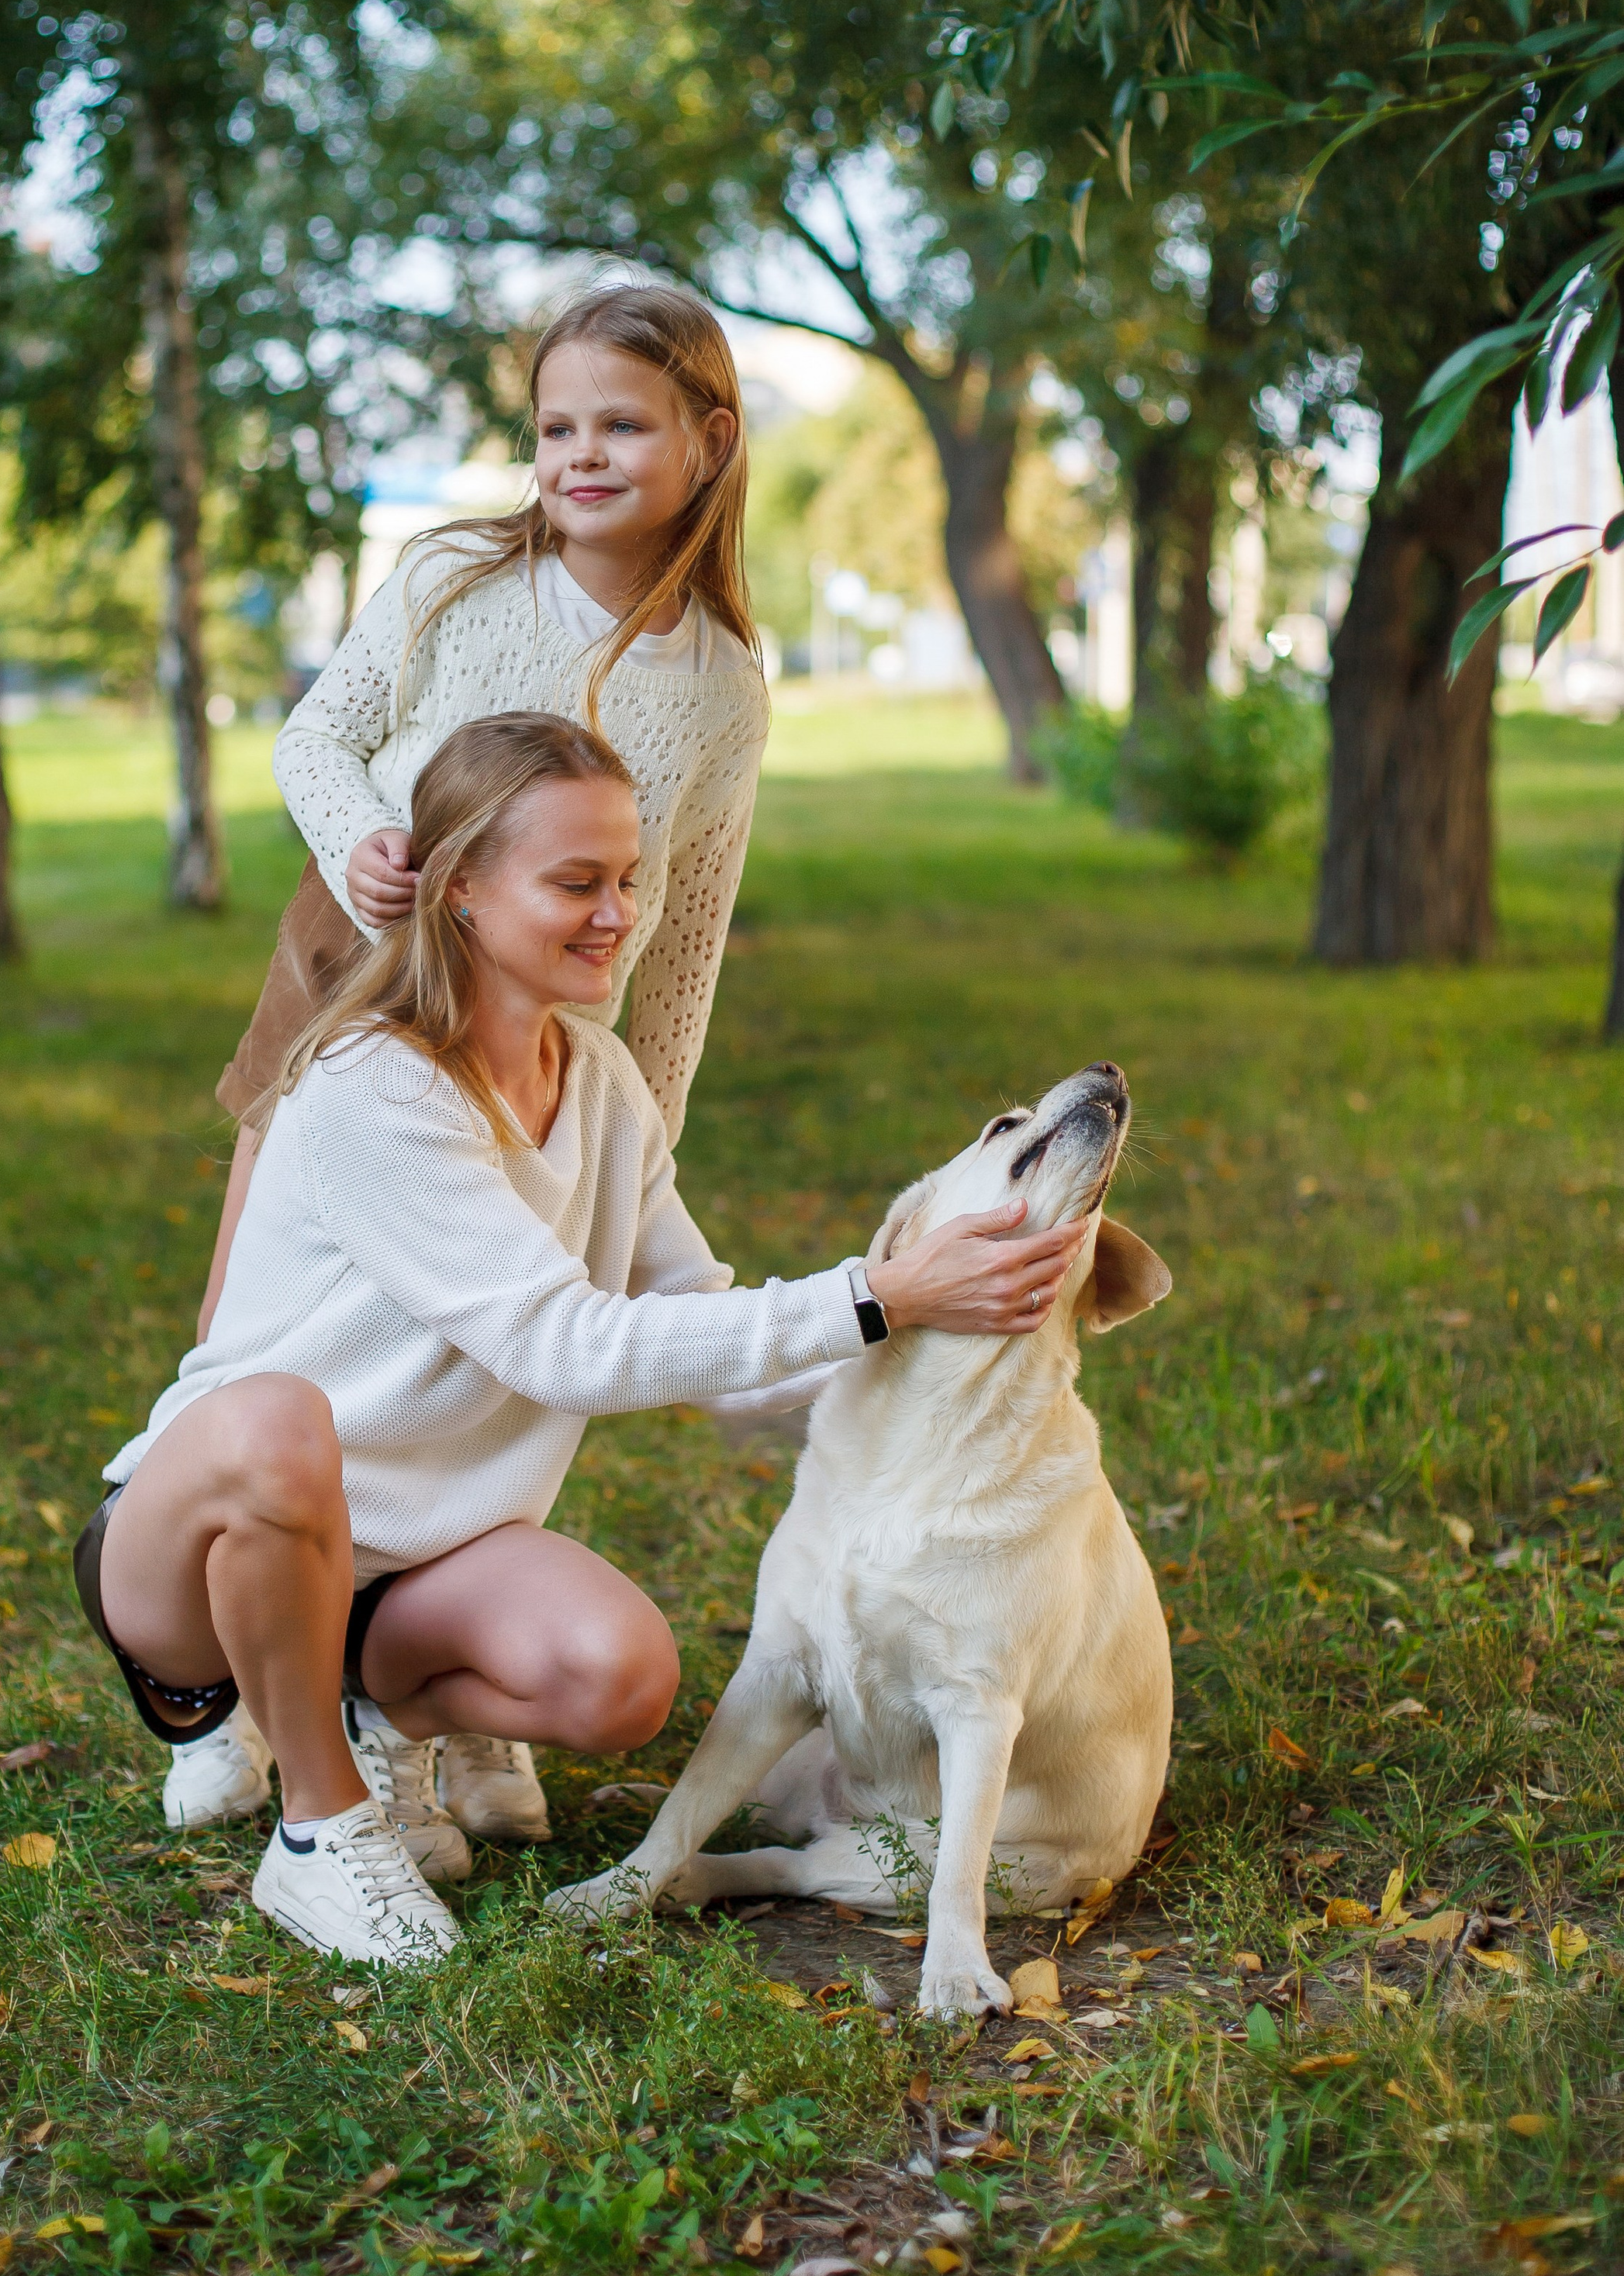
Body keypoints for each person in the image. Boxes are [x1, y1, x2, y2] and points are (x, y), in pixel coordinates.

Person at [74, 715, 1087, 1967]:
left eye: (626, 878)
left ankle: (364, 1712)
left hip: (399, 1571)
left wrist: (964, 1345)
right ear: (459, 891)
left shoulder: (601, 1082)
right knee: (284, 1423)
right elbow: (564, 1346)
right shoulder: (370, 1083)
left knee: (621, 1674)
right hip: (193, 1553)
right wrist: (884, 1292)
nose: (616, 912)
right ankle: (321, 1830)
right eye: (574, 882)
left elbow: (712, 1323)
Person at [168, 281, 772, 1848]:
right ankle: (249, 1683)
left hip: (539, 1041)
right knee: (268, 1332)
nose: (579, 453)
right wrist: (361, 839)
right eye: (555, 425)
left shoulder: (716, 678)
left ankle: (421, 1684)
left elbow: (689, 921)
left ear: (707, 442)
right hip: (354, 961)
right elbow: (318, 734)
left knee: (504, 1352)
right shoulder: (448, 574)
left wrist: (645, 1145)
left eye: (620, 425)